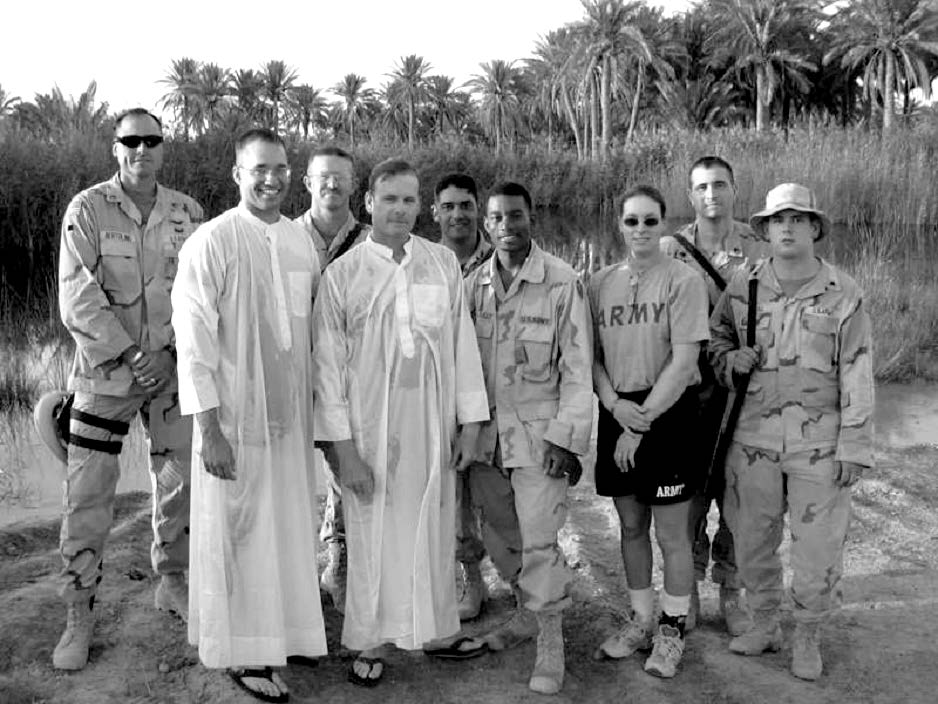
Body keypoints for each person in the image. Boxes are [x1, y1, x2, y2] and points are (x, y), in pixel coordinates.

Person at [312, 159, 489, 687]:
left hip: (432, 424)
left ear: (421, 206)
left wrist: (472, 423)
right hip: (369, 429)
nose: (400, 209)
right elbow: (326, 369)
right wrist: (343, 450)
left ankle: (434, 628)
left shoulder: (440, 264)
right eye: (389, 199)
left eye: (410, 200)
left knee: (433, 528)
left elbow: (462, 348)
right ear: (369, 202)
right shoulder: (342, 274)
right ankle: (370, 640)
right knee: (372, 534)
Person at [172, 128, 325, 703]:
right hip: (232, 423)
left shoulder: (298, 242)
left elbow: (305, 334)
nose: (272, 178)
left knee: (285, 526)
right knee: (237, 533)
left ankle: (285, 633)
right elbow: (193, 344)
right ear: (237, 173)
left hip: (288, 421)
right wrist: (209, 428)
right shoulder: (210, 242)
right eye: (259, 168)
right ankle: (241, 651)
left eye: (281, 167)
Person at [53, 108, 203, 671]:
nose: (142, 150)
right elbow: (77, 294)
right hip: (105, 375)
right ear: (115, 147)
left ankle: (173, 580)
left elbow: (200, 293)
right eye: (131, 141)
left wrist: (167, 356)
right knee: (88, 494)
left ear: (164, 148)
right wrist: (133, 352)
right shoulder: (86, 210)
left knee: (179, 483)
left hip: (169, 376)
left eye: (152, 141)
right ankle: (79, 611)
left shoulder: (187, 212)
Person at [709, 183, 873, 681]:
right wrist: (728, 359)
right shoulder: (744, 284)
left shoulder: (843, 292)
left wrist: (855, 445)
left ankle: (807, 634)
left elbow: (858, 370)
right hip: (752, 442)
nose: (787, 227)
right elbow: (716, 342)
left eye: (797, 219)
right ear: (763, 230)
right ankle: (764, 624)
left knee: (817, 547)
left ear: (814, 228)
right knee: (752, 540)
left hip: (819, 446)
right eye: (778, 220)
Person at [462, 182, 593, 695]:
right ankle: (524, 614)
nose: (506, 227)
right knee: (502, 537)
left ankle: (551, 640)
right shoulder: (473, 286)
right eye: (496, 218)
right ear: (486, 224)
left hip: (540, 442)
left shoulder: (562, 282)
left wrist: (566, 439)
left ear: (531, 217)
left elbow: (578, 371)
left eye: (515, 216)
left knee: (540, 540)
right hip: (487, 441)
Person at [591, 185, 709, 678]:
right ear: (619, 225)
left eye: (650, 221)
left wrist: (639, 425)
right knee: (632, 526)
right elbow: (590, 359)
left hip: (667, 413)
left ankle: (672, 629)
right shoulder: (597, 282)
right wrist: (616, 406)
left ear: (664, 224)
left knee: (672, 534)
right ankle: (640, 620)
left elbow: (684, 362)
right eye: (632, 221)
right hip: (618, 409)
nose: (641, 230)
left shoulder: (683, 281)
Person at [658, 155, 765, 635]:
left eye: (720, 184)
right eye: (701, 187)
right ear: (689, 194)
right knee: (691, 496)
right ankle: (691, 584)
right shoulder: (670, 249)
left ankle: (731, 588)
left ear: (734, 188)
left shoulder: (760, 246)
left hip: (746, 393)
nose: (711, 195)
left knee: (740, 499)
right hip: (689, 395)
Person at [295, 144, 369, 614]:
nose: (332, 185)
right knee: (286, 477)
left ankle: (339, 565)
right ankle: (294, 575)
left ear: (354, 185)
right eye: (323, 176)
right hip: (290, 378)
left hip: (347, 380)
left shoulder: (372, 241)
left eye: (341, 177)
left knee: (345, 475)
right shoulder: (281, 238)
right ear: (306, 182)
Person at [432, 172, 494, 621]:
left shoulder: (502, 259)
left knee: (503, 500)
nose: (458, 214)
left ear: (478, 209)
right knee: (456, 502)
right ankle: (471, 583)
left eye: (466, 205)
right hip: (438, 401)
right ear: (434, 211)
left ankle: (524, 582)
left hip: (500, 396)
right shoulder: (423, 263)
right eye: (448, 205)